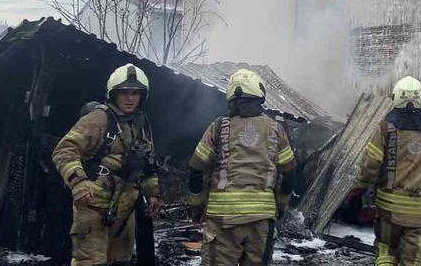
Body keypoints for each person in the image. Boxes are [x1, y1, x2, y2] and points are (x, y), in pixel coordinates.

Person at [53, 64, 160, 266]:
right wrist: (78, 183)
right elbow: (64, 150)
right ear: (113, 94)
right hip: (94, 209)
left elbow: (148, 160)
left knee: (120, 262)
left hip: (125, 213)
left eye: (135, 93)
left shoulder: (142, 123)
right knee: (90, 262)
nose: (130, 98)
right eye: (125, 93)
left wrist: (152, 192)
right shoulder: (98, 118)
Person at [187, 68, 296, 266]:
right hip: (261, 223)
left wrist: (196, 207)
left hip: (223, 222)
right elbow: (288, 174)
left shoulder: (218, 127)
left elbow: (196, 168)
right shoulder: (276, 130)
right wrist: (279, 207)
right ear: (259, 95)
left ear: (231, 97)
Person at [348, 75, 421, 266]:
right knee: (413, 261)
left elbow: (370, 164)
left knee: (386, 250)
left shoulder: (385, 127)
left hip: (389, 209)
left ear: (396, 98)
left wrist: (359, 187)